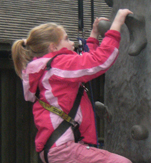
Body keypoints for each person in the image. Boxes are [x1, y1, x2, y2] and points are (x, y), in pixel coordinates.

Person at [11, 9, 133, 163]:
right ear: (53, 47)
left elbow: (83, 63)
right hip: (63, 148)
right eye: (67, 39)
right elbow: (99, 62)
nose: (72, 43)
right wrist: (117, 23)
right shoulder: (57, 66)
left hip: (56, 148)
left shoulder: (48, 70)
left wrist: (93, 36)